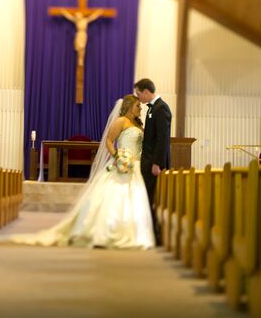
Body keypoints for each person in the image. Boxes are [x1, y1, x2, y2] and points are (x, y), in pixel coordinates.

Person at [10, 95, 155, 249]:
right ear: (129, 106)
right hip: (122, 163)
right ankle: (104, 231)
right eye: (138, 106)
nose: (141, 108)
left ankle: (133, 232)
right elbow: (109, 141)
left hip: (136, 165)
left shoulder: (137, 124)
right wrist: (117, 156)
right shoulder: (120, 121)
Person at [134, 78, 172, 244]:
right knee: (147, 197)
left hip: (153, 164)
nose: (139, 98)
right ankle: (149, 234)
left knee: (151, 198)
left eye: (139, 94)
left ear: (146, 91)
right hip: (148, 161)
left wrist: (158, 163)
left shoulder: (160, 108)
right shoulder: (153, 108)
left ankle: (154, 236)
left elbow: (162, 139)